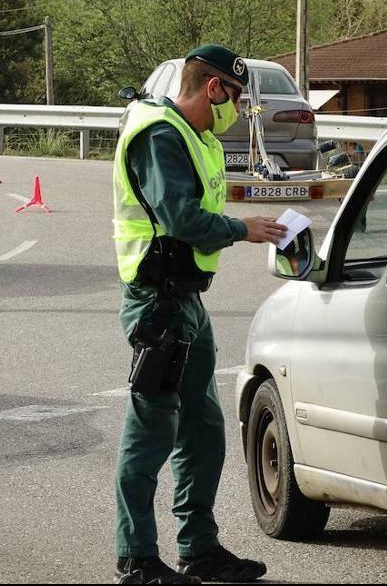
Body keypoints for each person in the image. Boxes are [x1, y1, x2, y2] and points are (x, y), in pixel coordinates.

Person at [111, 45, 286, 584]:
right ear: (211, 88)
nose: (236, 110)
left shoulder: (195, 138)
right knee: (151, 432)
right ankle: (136, 559)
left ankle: (199, 548)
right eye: (233, 98)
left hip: (186, 300)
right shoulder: (160, 136)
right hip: (157, 303)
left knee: (204, 429)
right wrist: (243, 229)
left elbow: (200, 205)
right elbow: (182, 216)